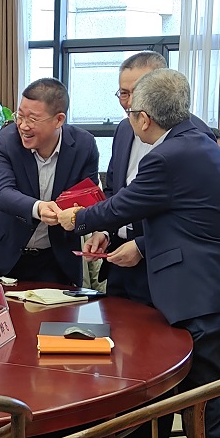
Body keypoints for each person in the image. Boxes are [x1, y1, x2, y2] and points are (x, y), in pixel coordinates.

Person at [59, 68, 220, 438]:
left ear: (144, 118)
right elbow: (185, 218)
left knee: (206, 402)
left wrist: (75, 218)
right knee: (201, 399)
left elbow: (123, 205)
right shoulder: (196, 141)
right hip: (211, 285)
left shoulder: (166, 156)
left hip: (201, 294)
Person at [0, 78, 98, 285]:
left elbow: (88, 196)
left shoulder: (83, 146)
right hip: (5, 256)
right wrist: (38, 208)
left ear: (58, 120)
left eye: (32, 119)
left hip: (57, 259)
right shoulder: (4, 143)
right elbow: (2, 193)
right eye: (20, 116)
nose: (23, 126)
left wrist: (97, 229)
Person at [86, 51, 165, 306]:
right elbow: (114, 190)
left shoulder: (187, 138)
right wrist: (105, 231)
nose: (129, 102)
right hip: (119, 260)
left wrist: (141, 246)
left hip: (161, 266)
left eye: (137, 92)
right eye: (123, 93)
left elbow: (189, 216)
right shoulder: (123, 129)